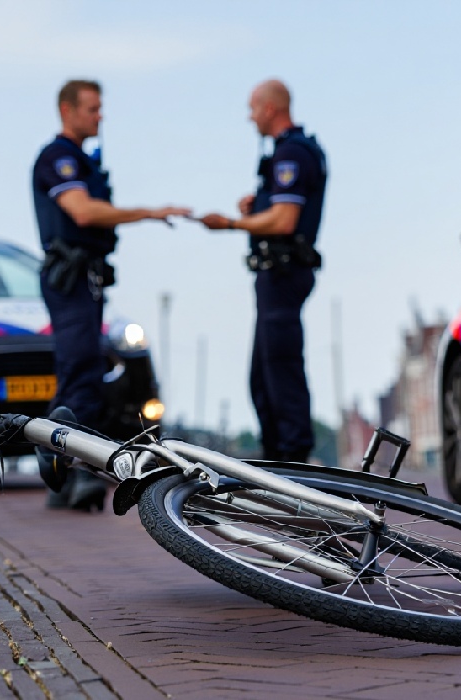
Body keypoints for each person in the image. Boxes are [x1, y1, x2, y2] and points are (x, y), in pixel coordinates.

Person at [32, 79, 190, 510]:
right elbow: (82, 211)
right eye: (92, 109)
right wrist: (150, 213)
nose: (100, 116)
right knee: (82, 372)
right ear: (67, 110)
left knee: (78, 374)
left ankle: (60, 473)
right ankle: (79, 471)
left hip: (86, 277)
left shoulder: (81, 159)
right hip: (72, 277)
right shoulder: (58, 158)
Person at [200, 79, 327, 463]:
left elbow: (285, 220)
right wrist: (255, 211)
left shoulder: (291, 152)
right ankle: (278, 457)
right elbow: (279, 211)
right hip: (277, 276)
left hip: (283, 274)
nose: (250, 116)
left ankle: (293, 462)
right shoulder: (291, 152)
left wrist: (231, 224)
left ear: (270, 108)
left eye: (253, 107)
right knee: (263, 375)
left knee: (280, 369)